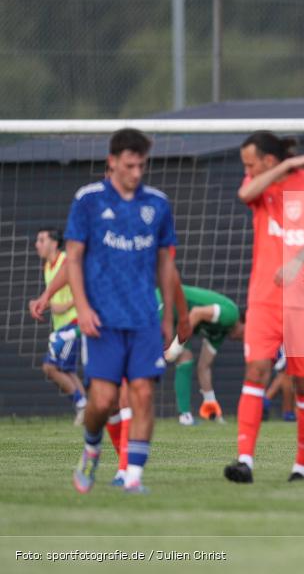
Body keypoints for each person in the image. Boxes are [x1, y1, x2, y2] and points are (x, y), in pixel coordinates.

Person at [67, 128, 177, 493]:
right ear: (112, 162)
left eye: (141, 165)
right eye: (129, 165)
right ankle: (91, 447)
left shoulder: (158, 204)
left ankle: (133, 476)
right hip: (104, 319)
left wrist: (167, 316)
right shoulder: (88, 201)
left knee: (144, 393)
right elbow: (74, 257)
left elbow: (165, 263)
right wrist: (82, 307)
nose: (136, 172)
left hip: (144, 317)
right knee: (103, 400)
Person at [224, 131, 304, 484]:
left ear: (266, 160)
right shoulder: (258, 182)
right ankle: (244, 462)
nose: (246, 169)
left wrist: (298, 261)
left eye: (250, 163)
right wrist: (284, 165)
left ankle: (302, 467)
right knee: (256, 371)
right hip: (265, 297)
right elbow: (244, 194)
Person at [158, 285, 243, 425]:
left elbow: (204, 366)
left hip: (177, 317)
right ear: (245, 322)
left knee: (185, 358)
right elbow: (196, 313)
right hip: (166, 300)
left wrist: (211, 404)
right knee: (140, 354)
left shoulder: (220, 333)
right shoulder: (231, 314)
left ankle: (185, 417)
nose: (244, 339)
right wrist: (176, 347)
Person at [28, 227, 87, 424]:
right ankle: (87, 409)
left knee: (50, 367)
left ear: (54, 242)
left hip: (74, 322)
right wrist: (40, 303)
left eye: (41, 239)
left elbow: (81, 290)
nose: (37, 244)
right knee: (66, 370)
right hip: (61, 325)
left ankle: (82, 404)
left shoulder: (66, 261)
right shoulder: (47, 265)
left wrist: (61, 306)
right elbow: (53, 298)